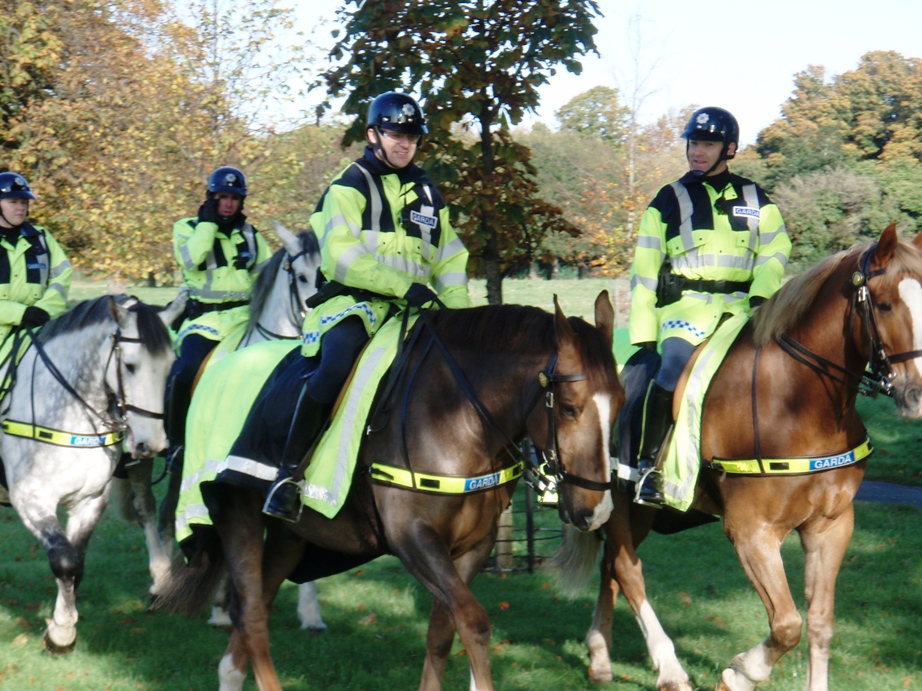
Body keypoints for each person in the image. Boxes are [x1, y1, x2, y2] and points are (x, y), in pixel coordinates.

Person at [262, 91, 472, 521]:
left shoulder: (429, 192)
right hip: (355, 306)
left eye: (411, 136)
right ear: (373, 134)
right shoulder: (348, 185)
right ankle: (288, 476)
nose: (404, 143)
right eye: (395, 133)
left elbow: (450, 260)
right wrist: (401, 286)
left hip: (415, 312)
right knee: (337, 365)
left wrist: (460, 318)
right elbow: (340, 254)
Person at [628, 106, 791, 506]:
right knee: (668, 375)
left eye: (708, 144)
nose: (697, 152)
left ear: (729, 148)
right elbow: (645, 270)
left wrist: (761, 298)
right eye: (694, 143)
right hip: (685, 312)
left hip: (743, 311)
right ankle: (648, 467)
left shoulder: (756, 197)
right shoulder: (667, 200)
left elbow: (776, 249)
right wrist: (645, 333)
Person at [164, 166, 271, 467]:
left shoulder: (251, 234)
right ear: (211, 198)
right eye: (222, 197)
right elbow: (191, 259)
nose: (228, 204)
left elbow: (267, 277)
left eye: (234, 198)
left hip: (244, 321)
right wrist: (208, 226)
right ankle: (177, 444)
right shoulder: (187, 227)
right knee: (186, 371)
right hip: (204, 323)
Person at [0, 172, 72, 351]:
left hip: (38, 328)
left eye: (24, 202)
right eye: (13, 202)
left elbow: (62, 279)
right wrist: (21, 313)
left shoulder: (42, 238)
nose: (20, 208)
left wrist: (45, 310)